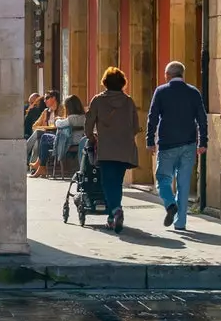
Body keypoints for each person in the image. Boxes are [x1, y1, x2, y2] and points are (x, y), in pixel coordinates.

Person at [147, 61, 208, 231]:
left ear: (168, 75)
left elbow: (152, 117)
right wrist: (203, 142)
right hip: (189, 144)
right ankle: (181, 222)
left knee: (163, 179)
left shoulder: (161, 91)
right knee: (183, 183)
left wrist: (150, 140)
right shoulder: (193, 92)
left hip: (167, 144)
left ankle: (170, 203)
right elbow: (202, 119)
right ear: (182, 74)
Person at [85, 67, 141, 232]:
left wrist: (91, 137)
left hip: (106, 147)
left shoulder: (98, 100)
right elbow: (136, 126)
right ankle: (112, 216)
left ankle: (116, 210)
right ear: (122, 83)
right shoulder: (129, 101)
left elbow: (88, 124)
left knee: (107, 182)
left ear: (105, 82)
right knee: (117, 182)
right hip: (124, 148)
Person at [33, 95, 84, 178]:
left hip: (68, 141)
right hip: (79, 141)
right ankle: (40, 165)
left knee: (45, 137)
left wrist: (58, 119)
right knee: (47, 138)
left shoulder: (71, 118)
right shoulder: (84, 117)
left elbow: (58, 124)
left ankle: (42, 166)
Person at [25, 92, 59, 171]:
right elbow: (35, 125)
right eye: (44, 99)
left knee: (38, 133)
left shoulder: (61, 109)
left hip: (57, 134)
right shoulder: (45, 112)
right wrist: (44, 127)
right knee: (38, 139)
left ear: (53, 98)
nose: (44, 101)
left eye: (47, 98)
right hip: (46, 133)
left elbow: (62, 122)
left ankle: (23, 153)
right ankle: (34, 168)